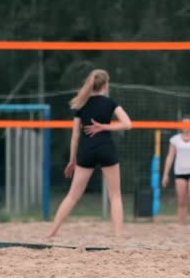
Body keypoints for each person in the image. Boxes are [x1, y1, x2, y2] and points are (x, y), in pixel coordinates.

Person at [48, 69, 132, 238]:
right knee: (115, 195)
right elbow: (128, 124)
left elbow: (75, 136)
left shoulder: (82, 105)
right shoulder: (110, 103)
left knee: (72, 196)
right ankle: (118, 236)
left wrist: (72, 159)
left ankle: (52, 232)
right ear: (106, 85)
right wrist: (105, 127)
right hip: (106, 148)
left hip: (86, 151)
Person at [162, 116, 190, 224]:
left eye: (187, 124)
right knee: (182, 201)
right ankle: (182, 224)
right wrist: (165, 174)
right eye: (183, 124)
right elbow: (170, 157)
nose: (185, 126)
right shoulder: (175, 139)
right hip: (180, 172)